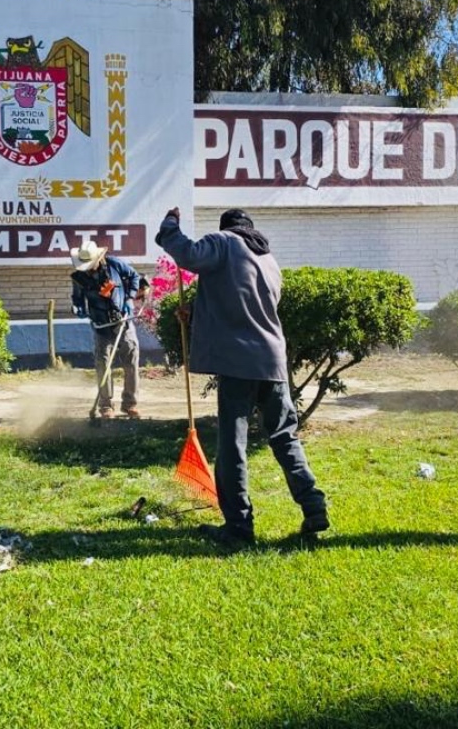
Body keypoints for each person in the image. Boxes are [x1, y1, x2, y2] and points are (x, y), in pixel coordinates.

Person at [156, 207, 329, 544]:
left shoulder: (224, 242)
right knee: (284, 436)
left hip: (239, 363)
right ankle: (313, 505)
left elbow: (187, 253)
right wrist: (196, 310)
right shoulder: (267, 259)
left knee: (233, 445)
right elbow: (246, 304)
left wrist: (169, 225)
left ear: (227, 228)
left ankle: (238, 526)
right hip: (273, 361)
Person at [70, 239, 149, 418]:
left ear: (98, 258)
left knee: (131, 362)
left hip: (123, 321)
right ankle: (106, 406)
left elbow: (135, 277)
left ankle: (130, 404)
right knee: (103, 364)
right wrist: (78, 308)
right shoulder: (78, 277)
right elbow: (77, 299)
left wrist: (129, 298)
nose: (87, 268)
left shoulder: (115, 264)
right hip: (101, 325)